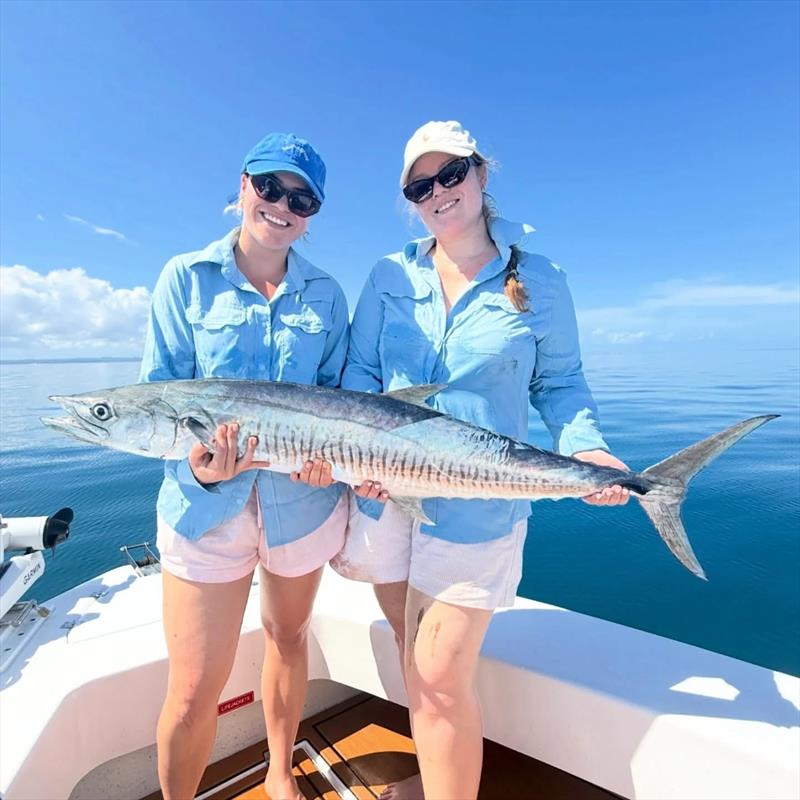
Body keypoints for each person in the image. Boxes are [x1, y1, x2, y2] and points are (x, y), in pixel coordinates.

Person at [297, 120, 630, 800]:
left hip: (479, 505)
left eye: (451, 174)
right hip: (383, 495)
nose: (438, 192)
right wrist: (342, 448)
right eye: (422, 185)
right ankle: (437, 776)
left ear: (481, 174)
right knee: (411, 651)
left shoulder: (539, 279)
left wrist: (584, 445)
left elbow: (559, 383)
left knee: (439, 672)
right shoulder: (390, 273)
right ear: (410, 199)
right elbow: (361, 372)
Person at [139, 133, 349, 800]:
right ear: (242, 186)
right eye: (271, 187)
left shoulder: (327, 295)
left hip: (303, 505)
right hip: (205, 511)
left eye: (302, 197)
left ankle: (281, 771)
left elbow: (344, 406)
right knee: (195, 685)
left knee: (288, 637)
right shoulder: (185, 277)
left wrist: (333, 466)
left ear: (312, 213)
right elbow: (159, 390)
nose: (283, 206)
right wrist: (203, 471)